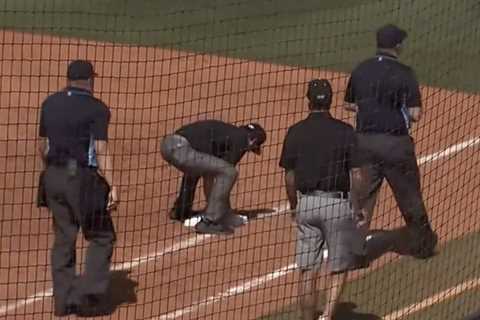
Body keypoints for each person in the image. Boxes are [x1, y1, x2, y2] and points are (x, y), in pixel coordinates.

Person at [344, 24, 437, 259]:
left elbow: (349, 104)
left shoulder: (361, 69)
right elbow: (415, 113)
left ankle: (352, 253)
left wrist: (370, 109)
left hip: (364, 144)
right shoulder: (405, 72)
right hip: (396, 146)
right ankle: (423, 245)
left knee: (362, 200)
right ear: (397, 45)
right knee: (409, 197)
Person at [280, 79, 367, 320]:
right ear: (330, 100)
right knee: (338, 268)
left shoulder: (295, 131)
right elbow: (357, 175)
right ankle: (327, 316)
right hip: (337, 205)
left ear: (308, 100)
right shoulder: (345, 130)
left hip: (307, 203)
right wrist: (357, 207)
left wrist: (295, 207)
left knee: (307, 270)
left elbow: (289, 177)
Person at [37, 60, 118, 316]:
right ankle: (91, 295)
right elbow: (100, 149)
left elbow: (43, 146)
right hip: (81, 180)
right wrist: (113, 184)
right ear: (89, 80)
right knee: (102, 235)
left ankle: (65, 302)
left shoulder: (49, 103)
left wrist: (53, 171)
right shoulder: (97, 109)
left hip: (52, 176)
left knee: (63, 237)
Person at [161, 120, 266, 235]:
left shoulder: (228, 133)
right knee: (229, 172)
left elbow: (209, 175)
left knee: (197, 169)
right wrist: (224, 212)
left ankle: (181, 210)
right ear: (253, 141)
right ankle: (209, 221)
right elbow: (221, 175)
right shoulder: (241, 140)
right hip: (182, 149)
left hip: (168, 145)